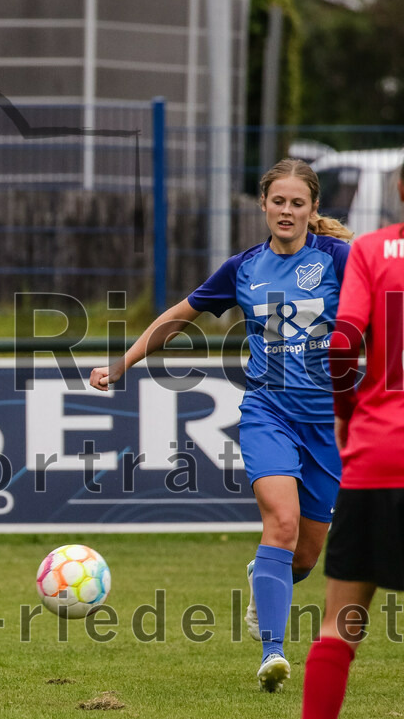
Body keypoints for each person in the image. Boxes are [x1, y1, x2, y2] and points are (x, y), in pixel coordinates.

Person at [89, 158, 352, 692]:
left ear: (313, 209)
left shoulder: (340, 259)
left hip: (327, 423)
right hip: (268, 413)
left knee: (305, 553)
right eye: (278, 200)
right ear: (263, 204)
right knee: (281, 523)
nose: (286, 210)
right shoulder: (243, 268)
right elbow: (178, 317)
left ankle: (264, 578)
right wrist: (122, 363)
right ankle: (273, 654)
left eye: (297, 202)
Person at [301, 162, 404, 718]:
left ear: (399, 190)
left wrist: (348, 414)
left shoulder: (371, 251)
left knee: (340, 626)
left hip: (377, 455)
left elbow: (342, 346)